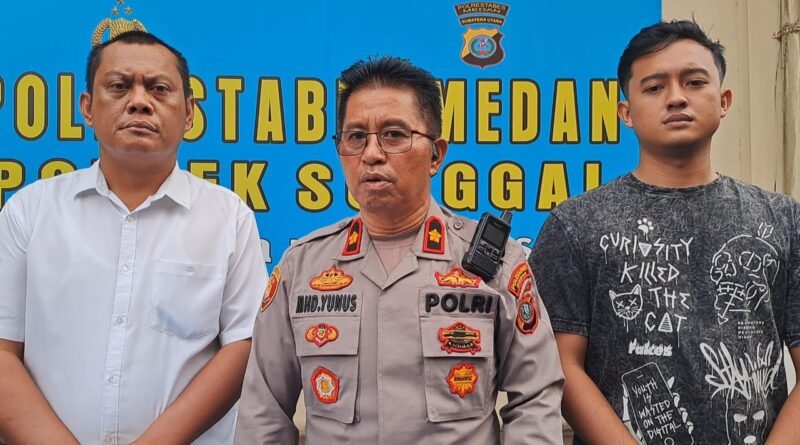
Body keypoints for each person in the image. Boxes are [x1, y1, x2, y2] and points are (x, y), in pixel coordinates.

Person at [234, 56, 564, 444]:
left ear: (436, 154)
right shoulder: (303, 268)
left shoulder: (494, 263)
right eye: (356, 137)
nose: (371, 153)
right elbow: (264, 413)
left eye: (393, 135)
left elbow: (535, 397)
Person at [529, 19, 800, 444]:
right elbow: (560, 365)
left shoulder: (784, 220)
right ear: (626, 112)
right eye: (654, 87)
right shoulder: (575, 224)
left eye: (694, 82)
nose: (676, 97)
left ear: (724, 101)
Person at [0, 31, 267, 444]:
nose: (139, 102)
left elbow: (243, 346)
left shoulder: (228, 218)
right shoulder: (29, 212)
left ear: (189, 113)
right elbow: (3, 351)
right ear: (87, 108)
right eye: (119, 86)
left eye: (159, 89)